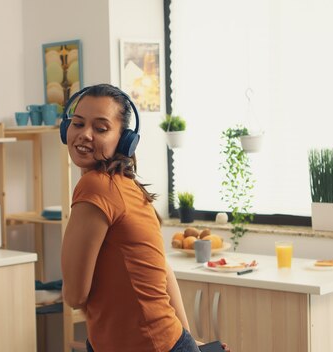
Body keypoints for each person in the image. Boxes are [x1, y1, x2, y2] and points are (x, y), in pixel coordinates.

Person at [60, 83, 230, 352]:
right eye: (78, 123)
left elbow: (74, 294)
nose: (84, 134)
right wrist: (187, 342)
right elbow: (163, 268)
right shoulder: (127, 185)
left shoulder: (95, 186)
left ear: (124, 139)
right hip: (157, 341)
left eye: (101, 128)